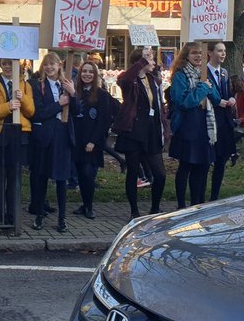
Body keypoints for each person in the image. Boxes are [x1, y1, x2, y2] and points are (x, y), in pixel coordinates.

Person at [114, 48, 169, 219]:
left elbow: (158, 103)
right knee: (133, 171)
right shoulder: (129, 80)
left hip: (151, 130)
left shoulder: (152, 79)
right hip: (134, 131)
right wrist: (142, 61)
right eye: (149, 59)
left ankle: (154, 208)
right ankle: (134, 210)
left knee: (160, 174)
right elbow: (126, 80)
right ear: (140, 62)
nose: (152, 62)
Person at [0, 57, 34, 227]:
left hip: (19, 133)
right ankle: (1, 214)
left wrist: (23, 99)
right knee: (0, 175)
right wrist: (7, 106)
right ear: (0, 65)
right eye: (4, 63)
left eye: (11, 63)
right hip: (0, 133)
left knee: (14, 176)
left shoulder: (25, 85)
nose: (7, 67)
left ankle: (12, 214)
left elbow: (31, 111)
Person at [28, 52, 75, 232]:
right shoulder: (38, 85)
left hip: (62, 137)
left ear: (59, 65)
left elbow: (77, 110)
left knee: (62, 179)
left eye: (52, 64)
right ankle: (39, 215)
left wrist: (73, 94)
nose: (49, 68)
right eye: (46, 65)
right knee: (41, 177)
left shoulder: (66, 84)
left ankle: (62, 219)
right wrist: (58, 104)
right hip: (45, 137)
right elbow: (38, 113)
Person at [168, 43, 218, 209]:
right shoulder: (180, 75)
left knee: (203, 166)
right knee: (186, 166)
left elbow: (216, 97)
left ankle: (198, 204)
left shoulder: (203, 74)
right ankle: (182, 205)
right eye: (194, 53)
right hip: (188, 125)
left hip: (204, 125)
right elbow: (183, 102)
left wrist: (206, 84)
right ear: (186, 56)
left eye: (201, 54)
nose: (198, 57)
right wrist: (202, 88)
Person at [70, 60, 115, 220]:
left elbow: (104, 120)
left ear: (95, 75)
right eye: (84, 71)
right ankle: (84, 203)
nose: (87, 74)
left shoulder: (101, 95)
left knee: (89, 174)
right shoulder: (76, 92)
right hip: (78, 140)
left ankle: (89, 207)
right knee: (81, 175)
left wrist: (94, 141)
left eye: (90, 72)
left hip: (92, 142)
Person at [204, 42, 236, 201]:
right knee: (207, 159)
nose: (223, 54)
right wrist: (217, 101)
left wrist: (231, 98)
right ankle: (200, 197)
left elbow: (228, 92)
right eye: (219, 51)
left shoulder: (224, 72)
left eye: (224, 51)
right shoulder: (203, 72)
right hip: (210, 120)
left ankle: (214, 196)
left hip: (224, 121)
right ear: (210, 52)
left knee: (221, 159)